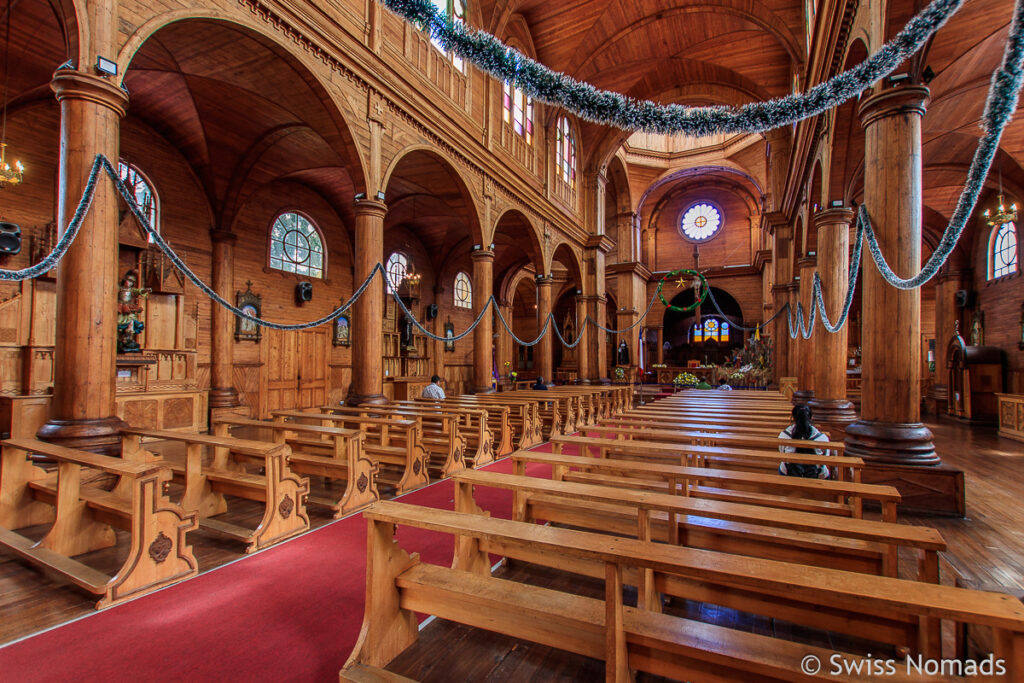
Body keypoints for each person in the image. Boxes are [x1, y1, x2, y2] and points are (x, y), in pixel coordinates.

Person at [777, 404, 831, 478]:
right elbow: (826, 458)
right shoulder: (822, 438)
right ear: (811, 417)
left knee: (783, 466)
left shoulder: (784, 436)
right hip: (817, 475)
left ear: (793, 418)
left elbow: (782, 453)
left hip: (788, 473)